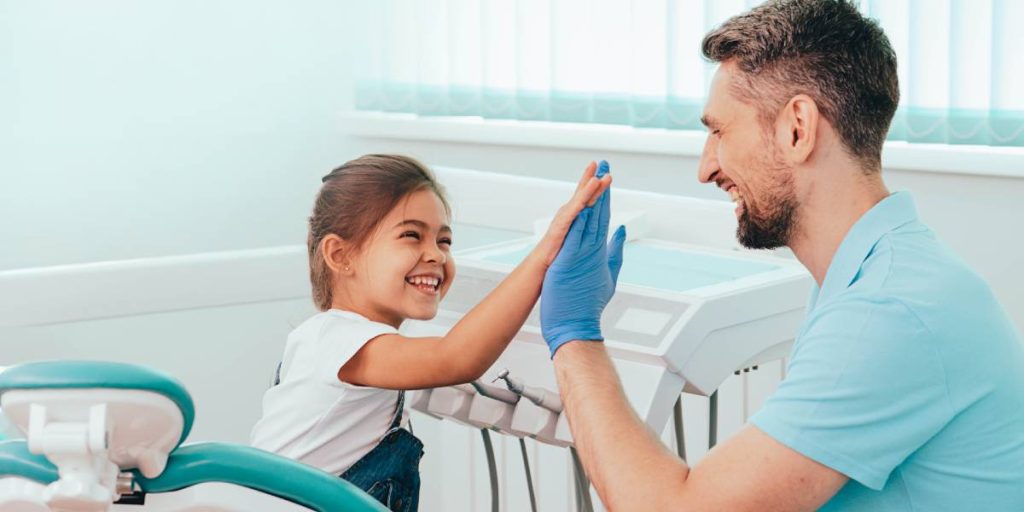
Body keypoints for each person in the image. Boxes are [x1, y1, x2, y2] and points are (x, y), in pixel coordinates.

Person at [539, 1, 1024, 510]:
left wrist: (575, 334)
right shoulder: (872, 275)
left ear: (798, 128)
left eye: (719, 131)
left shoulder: (890, 312)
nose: (706, 168)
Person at [250, 154, 612, 511]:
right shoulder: (338, 339)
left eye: (444, 241)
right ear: (340, 255)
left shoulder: (342, 342)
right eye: (411, 235)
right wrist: (544, 255)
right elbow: (453, 358)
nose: (436, 255)